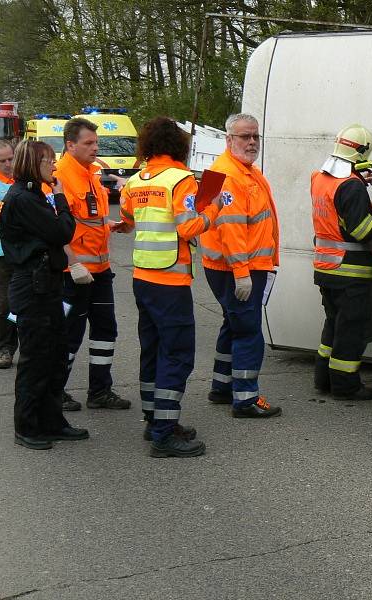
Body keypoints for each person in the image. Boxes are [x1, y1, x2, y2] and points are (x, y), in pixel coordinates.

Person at [117, 116, 222, 457]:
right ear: (179, 145)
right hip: (170, 281)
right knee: (176, 355)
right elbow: (189, 227)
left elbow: (129, 219)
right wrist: (215, 208)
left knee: (152, 350)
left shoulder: (135, 181)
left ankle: (154, 419)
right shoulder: (181, 181)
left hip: (143, 278)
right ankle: (164, 434)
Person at [0, 140, 88, 449]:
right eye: (49, 160)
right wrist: (62, 195)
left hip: (47, 284)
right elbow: (63, 231)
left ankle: (52, 422)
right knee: (36, 359)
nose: (54, 166)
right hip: (31, 288)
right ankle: (27, 427)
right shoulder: (23, 198)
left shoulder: (35, 193)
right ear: (33, 163)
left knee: (54, 355)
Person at [200, 113, 282, 419]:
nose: (251, 142)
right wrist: (242, 274)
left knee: (231, 323)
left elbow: (202, 214)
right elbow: (231, 228)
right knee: (248, 331)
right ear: (228, 139)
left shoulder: (231, 171)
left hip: (225, 265)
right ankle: (246, 399)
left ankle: (222, 387)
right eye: (244, 137)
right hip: (239, 267)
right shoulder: (231, 175)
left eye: (255, 136)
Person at [311, 123, 372, 400]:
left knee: (333, 324)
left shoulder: (320, 178)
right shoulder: (351, 187)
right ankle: (346, 386)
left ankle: (323, 379)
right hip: (350, 272)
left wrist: (356, 179)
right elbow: (364, 231)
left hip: (326, 268)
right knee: (350, 330)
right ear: (361, 152)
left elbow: (336, 211)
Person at [56, 117, 129, 411]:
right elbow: (57, 227)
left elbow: (90, 218)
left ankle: (100, 391)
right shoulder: (59, 176)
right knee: (69, 334)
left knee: (105, 330)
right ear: (70, 144)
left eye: (96, 143)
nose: (95, 148)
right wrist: (74, 264)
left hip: (100, 272)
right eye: (89, 143)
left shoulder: (92, 172)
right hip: (72, 274)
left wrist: (111, 225)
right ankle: (55, 390)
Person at [0, 140, 18, 368]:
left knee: (22, 301)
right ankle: (4, 347)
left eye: (10, 159)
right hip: (1, 253)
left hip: (22, 252)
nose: (8, 164)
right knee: (4, 303)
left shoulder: (21, 182)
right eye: (2, 161)